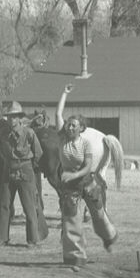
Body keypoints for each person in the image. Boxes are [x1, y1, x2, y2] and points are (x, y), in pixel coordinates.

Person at [52, 84, 118, 268]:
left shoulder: (87, 144)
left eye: (73, 125)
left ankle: (110, 236)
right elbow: (58, 114)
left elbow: (89, 167)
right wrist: (64, 93)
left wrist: (72, 176)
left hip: (87, 182)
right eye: (68, 124)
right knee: (71, 219)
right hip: (70, 188)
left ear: (81, 128)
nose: (69, 127)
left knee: (98, 214)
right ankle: (76, 258)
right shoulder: (61, 139)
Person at [0, 101, 48, 247]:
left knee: (29, 206)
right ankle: (1, 239)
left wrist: (28, 167)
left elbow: (38, 153)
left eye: (14, 117)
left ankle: (32, 240)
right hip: (8, 169)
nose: (11, 120)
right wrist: (9, 163)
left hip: (25, 170)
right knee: (4, 205)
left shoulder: (29, 133)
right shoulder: (2, 134)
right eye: (9, 117)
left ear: (19, 118)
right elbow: (0, 151)